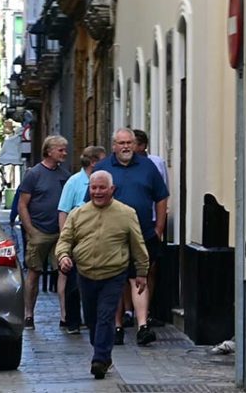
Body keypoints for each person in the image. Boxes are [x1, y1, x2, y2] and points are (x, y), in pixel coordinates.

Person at [56, 170, 149, 379]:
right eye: (94, 188)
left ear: (112, 189)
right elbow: (65, 240)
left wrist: (142, 272)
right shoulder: (78, 214)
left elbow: (138, 245)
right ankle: (103, 353)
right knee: (91, 319)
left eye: (102, 188)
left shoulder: (126, 213)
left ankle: (99, 358)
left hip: (114, 274)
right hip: (85, 273)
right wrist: (63, 256)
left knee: (106, 315)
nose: (97, 192)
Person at [92, 128, 169, 346]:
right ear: (113, 146)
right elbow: (93, 198)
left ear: (135, 144)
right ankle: (117, 326)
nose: (126, 147)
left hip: (143, 233)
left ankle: (142, 325)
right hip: (112, 236)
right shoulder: (103, 168)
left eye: (129, 142)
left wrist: (159, 227)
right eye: (121, 143)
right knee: (115, 281)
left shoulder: (147, 167)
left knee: (140, 278)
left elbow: (161, 197)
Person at [18, 135, 70, 330]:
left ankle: (65, 316)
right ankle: (28, 314)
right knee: (34, 272)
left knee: (64, 271)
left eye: (65, 149)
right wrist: (30, 229)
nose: (64, 153)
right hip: (39, 231)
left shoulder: (64, 175)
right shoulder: (34, 174)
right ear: (49, 151)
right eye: (61, 150)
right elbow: (23, 204)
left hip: (60, 232)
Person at [56, 145, 107, 334]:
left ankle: (92, 319)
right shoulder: (74, 182)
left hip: (99, 238)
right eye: (102, 159)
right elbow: (63, 211)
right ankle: (73, 321)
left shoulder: (104, 181)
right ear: (94, 162)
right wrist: (65, 241)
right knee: (74, 282)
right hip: (77, 238)